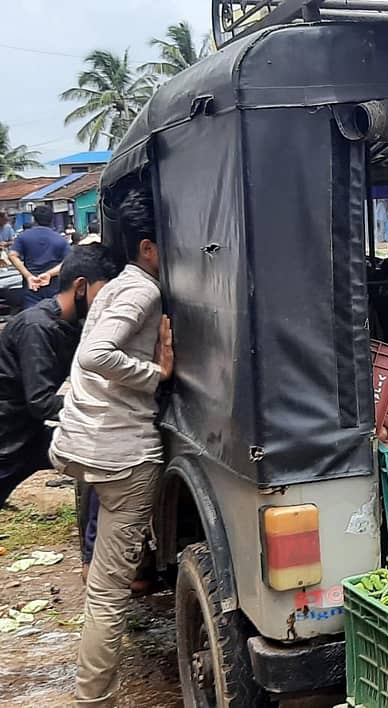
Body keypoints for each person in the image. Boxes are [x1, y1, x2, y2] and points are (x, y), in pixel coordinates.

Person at [50, 187, 173, 707]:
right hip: (123, 455)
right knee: (107, 594)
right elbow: (98, 354)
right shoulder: (143, 291)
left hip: (83, 444)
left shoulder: (117, 286)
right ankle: (94, 699)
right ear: (147, 248)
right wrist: (157, 373)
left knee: (103, 579)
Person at [0, 245, 117, 508]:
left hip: (25, 434)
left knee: (101, 460)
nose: (107, 302)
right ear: (81, 286)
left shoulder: (70, 327)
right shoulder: (36, 328)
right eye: (104, 292)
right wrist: (107, 406)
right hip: (8, 439)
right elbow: (41, 402)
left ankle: (95, 545)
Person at [9, 205, 71, 307]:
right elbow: (68, 261)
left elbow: (12, 255)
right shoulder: (60, 239)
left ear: (34, 219)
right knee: (53, 318)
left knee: (31, 318)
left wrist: (28, 276)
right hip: (53, 288)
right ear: (52, 219)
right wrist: (48, 274)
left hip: (31, 288)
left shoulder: (24, 237)